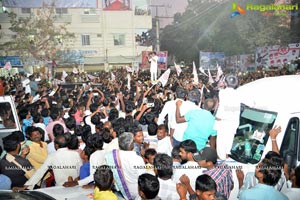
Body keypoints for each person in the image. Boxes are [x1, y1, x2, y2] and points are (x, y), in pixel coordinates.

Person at [105, 132, 146, 199]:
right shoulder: (137, 159)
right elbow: (143, 179)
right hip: (136, 192)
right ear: (131, 145)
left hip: (120, 190)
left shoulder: (111, 156)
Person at [214, 74, 240, 160]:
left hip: (223, 122)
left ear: (225, 82)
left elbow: (221, 106)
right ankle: (226, 158)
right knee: (228, 145)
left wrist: (218, 116)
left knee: (221, 146)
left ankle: (222, 164)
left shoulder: (222, 92)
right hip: (233, 123)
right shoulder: (239, 93)